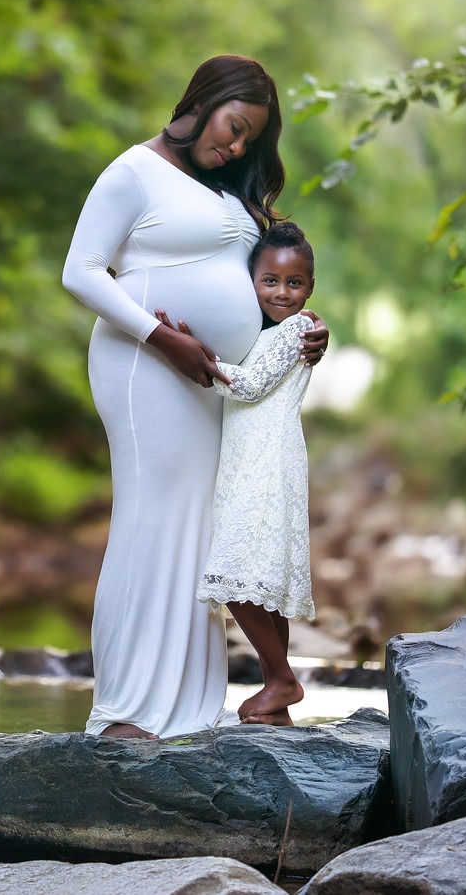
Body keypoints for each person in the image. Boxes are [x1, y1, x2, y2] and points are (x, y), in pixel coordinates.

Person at [61, 55, 329, 739]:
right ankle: (125, 707)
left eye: (249, 142)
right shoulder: (134, 172)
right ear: (205, 101)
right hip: (144, 365)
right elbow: (80, 271)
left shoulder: (222, 191)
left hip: (212, 381)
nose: (236, 147)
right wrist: (161, 338)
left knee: (201, 534)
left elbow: (261, 283)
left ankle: (183, 710)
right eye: (234, 127)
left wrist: (296, 332)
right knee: (151, 519)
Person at [159, 221, 318, 727]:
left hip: (267, 463)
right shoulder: (272, 332)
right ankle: (278, 693)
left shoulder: (298, 328)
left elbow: (249, 386)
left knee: (235, 576)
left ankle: (282, 679)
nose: (282, 292)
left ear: (309, 287)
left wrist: (197, 355)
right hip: (255, 459)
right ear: (251, 281)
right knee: (262, 578)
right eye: (270, 280)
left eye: (294, 283)